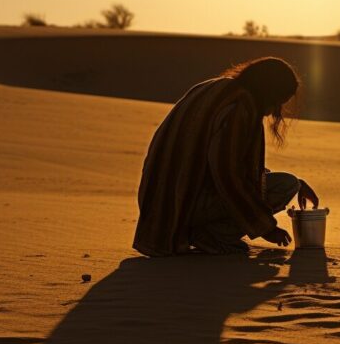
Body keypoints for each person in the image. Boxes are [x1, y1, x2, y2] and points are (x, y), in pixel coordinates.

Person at [133, 57, 319, 257]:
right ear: (267, 91)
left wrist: (299, 184)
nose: (275, 111)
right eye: (277, 102)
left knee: (289, 183)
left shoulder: (215, 89)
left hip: (161, 204)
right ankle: (212, 235)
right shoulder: (239, 106)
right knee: (285, 185)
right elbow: (227, 173)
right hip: (180, 204)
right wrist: (265, 227)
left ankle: (204, 232)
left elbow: (227, 164)